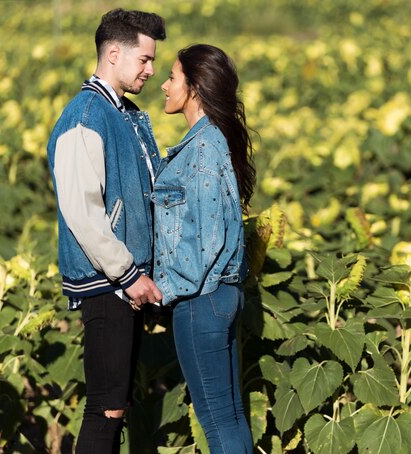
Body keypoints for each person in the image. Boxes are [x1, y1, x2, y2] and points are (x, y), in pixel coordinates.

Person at [46, 8, 165, 453]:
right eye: (145, 60)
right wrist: (129, 274)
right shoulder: (85, 117)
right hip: (107, 283)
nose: (151, 70)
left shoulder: (123, 113)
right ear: (114, 53)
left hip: (122, 280)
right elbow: (82, 211)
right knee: (106, 408)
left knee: (117, 406)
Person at [153, 44, 256, 453]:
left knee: (216, 425)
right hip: (223, 295)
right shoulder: (213, 142)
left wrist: (164, 288)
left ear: (194, 88)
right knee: (230, 420)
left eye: (173, 77)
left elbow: (207, 239)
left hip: (201, 300)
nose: (163, 84)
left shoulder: (200, 150)